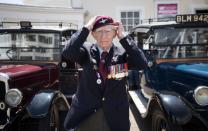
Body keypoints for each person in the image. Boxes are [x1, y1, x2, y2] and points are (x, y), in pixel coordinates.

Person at [63, 15, 147, 131]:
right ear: (93, 34)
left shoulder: (122, 54)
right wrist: (86, 28)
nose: (103, 36)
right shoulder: (86, 51)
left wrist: (123, 37)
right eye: (99, 31)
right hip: (86, 116)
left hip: (115, 118)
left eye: (108, 31)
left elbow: (142, 63)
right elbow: (68, 52)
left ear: (114, 33)